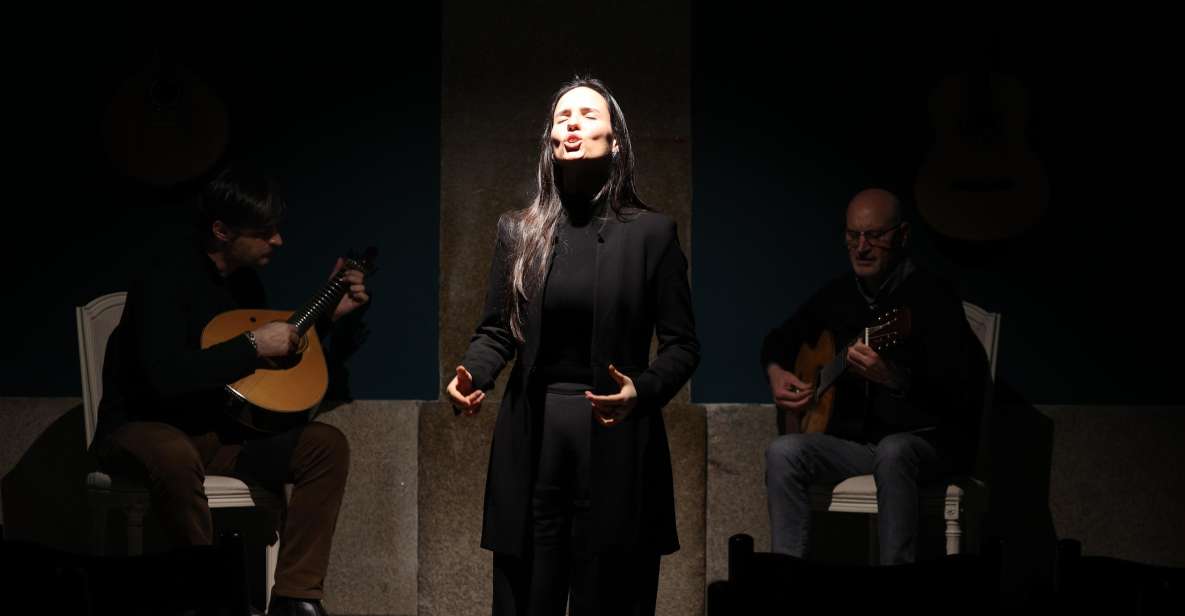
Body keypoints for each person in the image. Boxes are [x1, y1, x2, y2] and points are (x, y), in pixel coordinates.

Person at [446, 77, 699, 615]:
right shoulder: (519, 231)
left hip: (617, 439)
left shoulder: (652, 234)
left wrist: (644, 390)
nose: (572, 122)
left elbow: (682, 346)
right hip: (535, 436)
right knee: (530, 585)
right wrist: (472, 373)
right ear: (550, 141)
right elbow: (497, 329)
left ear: (616, 139)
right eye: (563, 116)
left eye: (587, 113)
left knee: (608, 589)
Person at [91, 163, 368, 616]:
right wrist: (255, 342)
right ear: (221, 230)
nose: (277, 241)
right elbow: (167, 377)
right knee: (175, 454)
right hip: (144, 427)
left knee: (325, 446)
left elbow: (260, 372)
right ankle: (207, 596)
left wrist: (325, 318)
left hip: (219, 435)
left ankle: (295, 595)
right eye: (264, 232)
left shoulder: (243, 283)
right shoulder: (163, 274)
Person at [760, 187, 987, 564]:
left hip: (928, 444)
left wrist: (896, 378)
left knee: (894, 449)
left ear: (901, 236)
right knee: (783, 451)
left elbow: (962, 390)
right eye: (853, 236)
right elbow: (779, 339)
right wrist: (776, 371)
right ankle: (789, 582)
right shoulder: (838, 294)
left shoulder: (932, 298)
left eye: (875, 236)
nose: (862, 247)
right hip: (860, 447)